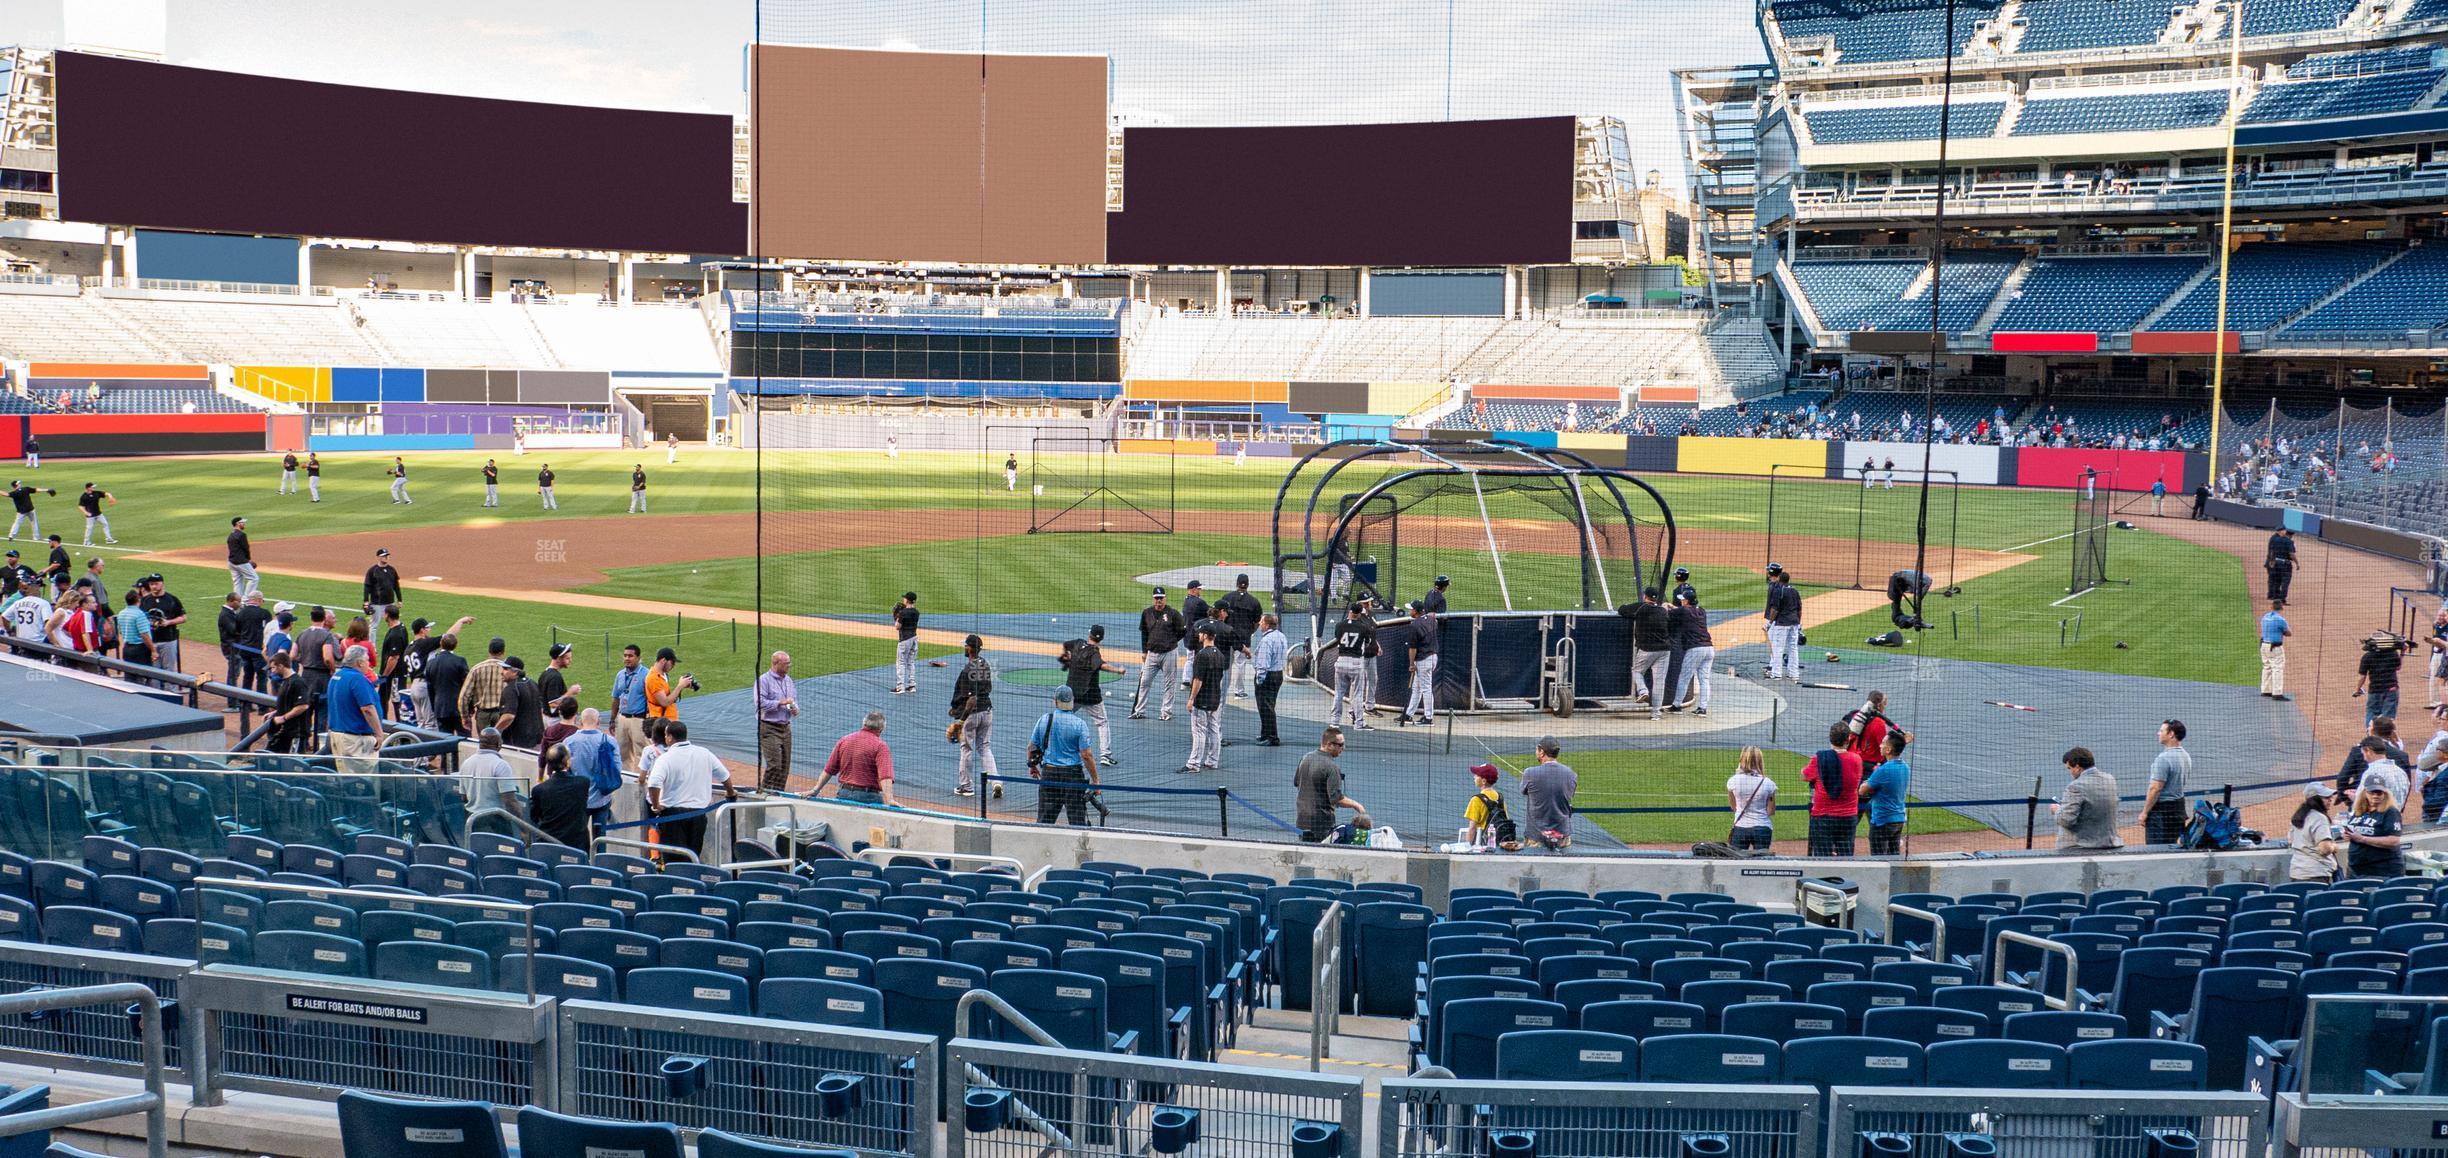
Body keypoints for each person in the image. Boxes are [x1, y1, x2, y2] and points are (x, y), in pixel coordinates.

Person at [645, 719, 734, 859]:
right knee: (693, 856)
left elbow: (653, 783)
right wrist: (730, 792)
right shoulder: (704, 753)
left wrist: (656, 805)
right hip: (698, 814)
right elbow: (724, 776)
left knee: (674, 859)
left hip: (672, 815)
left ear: (669, 737)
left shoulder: (665, 758)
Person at [1028, 687, 1098, 826]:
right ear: (1072, 701)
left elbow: (1031, 747)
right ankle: (1079, 847)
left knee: (1044, 821)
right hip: (1072, 776)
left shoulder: (1044, 720)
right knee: (1077, 821)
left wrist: (1032, 766)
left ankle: (1040, 846)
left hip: (1049, 774)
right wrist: (1095, 780)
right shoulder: (1079, 724)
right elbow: (1086, 755)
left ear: (1055, 702)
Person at [1062, 625, 1122, 766]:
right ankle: (1105, 755)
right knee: (1102, 722)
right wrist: (1118, 670)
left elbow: (1066, 645)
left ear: (1089, 634)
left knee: (1062, 718)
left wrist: (1067, 658)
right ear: (1101, 638)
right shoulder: (1094, 653)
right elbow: (1101, 665)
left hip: (1073, 693)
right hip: (1090, 695)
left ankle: (1054, 747)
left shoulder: (1077, 643)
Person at [1294, 726, 1368, 842]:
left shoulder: (1305, 758)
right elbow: (1336, 799)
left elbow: (1298, 783)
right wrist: (1357, 805)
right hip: (1321, 824)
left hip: (1302, 820)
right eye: (1340, 745)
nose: (1343, 748)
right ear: (1329, 744)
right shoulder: (1331, 767)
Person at [1802, 722, 1863, 856]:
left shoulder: (1820, 758)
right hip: (1848, 816)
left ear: (1830, 738)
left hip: (1823, 816)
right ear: (1848, 740)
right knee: (1846, 856)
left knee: (1822, 856)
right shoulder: (1856, 759)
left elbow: (1805, 776)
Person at [815, 710, 896, 806]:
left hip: (843, 793)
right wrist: (890, 799)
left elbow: (829, 769)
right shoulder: (881, 746)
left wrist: (816, 789)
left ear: (864, 723)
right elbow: (885, 776)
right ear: (882, 728)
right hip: (868, 796)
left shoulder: (845, 740)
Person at [951, 634, 999, 798]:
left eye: (965, 645)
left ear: (970, 648)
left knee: (966, 748)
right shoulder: (985, 664)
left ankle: (966, 786)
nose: (964, 648)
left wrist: (961, 719)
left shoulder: (967, 670)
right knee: (984, 747)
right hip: (988, 711)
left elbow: (971, 699)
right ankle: (996, 781)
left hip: (973, 714)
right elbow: (989, 689)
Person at [326, 644, 385, 775]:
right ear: (359, 662)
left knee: (347, 781)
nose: (369, 663)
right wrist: (379, 734)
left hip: (338, 735)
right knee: (364, 784)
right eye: (367, 660)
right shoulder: (357, 679)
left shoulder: (337, 676)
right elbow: (368, 709)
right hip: (355, 740)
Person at [2052, 746, 2122, 852]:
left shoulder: (2075, 787)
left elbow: (2065, 820)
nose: (2070, 772)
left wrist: (2057, 810)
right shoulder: (2110, 780)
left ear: (2077, 767)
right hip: (2109, 842)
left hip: (2080, 846)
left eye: (2069, 768)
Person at [1133, 586, 1186, 719]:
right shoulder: (1146, 613)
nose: (1159, 601)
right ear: (1153, 599)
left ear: (1165, 598)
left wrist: (1172, 641)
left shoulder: (1173, 613)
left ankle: (1166, 713)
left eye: (1161, 598)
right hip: (1151, 654)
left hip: (1169, 653)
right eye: (1157, 598)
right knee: (1144, 681)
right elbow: (1144, 633)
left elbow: (1183, 630)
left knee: (1169, 683)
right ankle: (1139, 711)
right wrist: (1144, 651)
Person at [565, 707, 622, 833]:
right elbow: (617, 770)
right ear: (599, 721)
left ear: (580, 722)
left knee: (578, 837)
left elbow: (564, 770)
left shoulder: (569, 742)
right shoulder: (610, 741)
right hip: (602, 797)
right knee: (600, 837)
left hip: (578, 798)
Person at [1181, 623, 1228, 773]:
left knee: (1199, 732)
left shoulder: (1202, 655)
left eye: (1201, 633)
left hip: (1202, 699)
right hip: (1215, 698)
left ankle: (1193, 764)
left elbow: (1197, 680)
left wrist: (1191, 699)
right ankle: (1212, 761)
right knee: (1214, 730)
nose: (1199, 635)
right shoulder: (1220, 655)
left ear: (1206, 635)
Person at [528, 742, 592, 850]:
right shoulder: (583, 783)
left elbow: (534, 815)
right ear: (567, 762)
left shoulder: (539, 790)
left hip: (548, 843)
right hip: (576, 845)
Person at [1622, 587, 1673, 719]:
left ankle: (1643, 691)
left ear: (1645, 597)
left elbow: (1622, 610)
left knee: (1637, 671)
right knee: (1659, 682)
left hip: (1647, 649)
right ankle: (1656, 714)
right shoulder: (1662, 610)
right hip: (1664, 650)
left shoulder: (1641, 607)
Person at [1329, 598, 1379, 729]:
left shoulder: (1339, 625)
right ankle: (1359, 723)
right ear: (1359, 614)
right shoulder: (1363, 627)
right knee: (1356, 694)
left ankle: (1334, 722)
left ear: (1350, 612)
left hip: (1341, 661)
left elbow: (1337, 639)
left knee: (1338, 693)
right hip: (1356, 662)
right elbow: (1367, 643)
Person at [1522, 736, 1578, 851]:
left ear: (1541, 751)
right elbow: (1569, 795)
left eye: (1537, 750)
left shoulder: (1530, 773)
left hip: (1536, 837)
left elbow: (1524, 791)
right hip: (1563, 835)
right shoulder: (1571, 774)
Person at [2141, 719, 2192, 846]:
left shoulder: (2163, 759)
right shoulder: (2186, 756)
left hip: (2161, 815)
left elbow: (2155, 788)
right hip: (2178, 811)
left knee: (2156, 852)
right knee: (2172, 848)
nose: (2158, 733)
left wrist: (2145, 812)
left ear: (2171, 734)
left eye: (2161, 730)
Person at [2339, 782, 2405, 878]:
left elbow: (2394, 840)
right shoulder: (2359, 810)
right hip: (2356, 869)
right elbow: (2355, 831)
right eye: (2372, 793)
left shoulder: (2391, 812)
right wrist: (2347, 835)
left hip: (2382, 870)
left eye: (2379, 793)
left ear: (2385, 794)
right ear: (2365, 793)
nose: (2375, 796)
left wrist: (2362, 839)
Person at [1860, 732, 1911, 855]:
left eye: (1883, 743)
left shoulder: (1883, 770)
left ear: (1888, 750)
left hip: (1882, 820)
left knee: (1879, 860)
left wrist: (1869, 783)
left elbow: (1862, 790)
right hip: (1898, 819)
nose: (1880, 745)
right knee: (1894, 858)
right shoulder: (1905, 767)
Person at [755, 650, 799, 792]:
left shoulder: (788, 680)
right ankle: (764, 793)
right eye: (786, 664)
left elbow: (792, 699)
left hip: (785, 727)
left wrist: (794, 708)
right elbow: (760, 703)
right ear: (776, 663)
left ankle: (778, 794)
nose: (789, 666)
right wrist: (780, 702)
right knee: (775, 764)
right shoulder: (763, 680)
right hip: (769, 727)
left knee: (785, 766)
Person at [1219, 574, 1264, 698]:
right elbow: (1257, 621)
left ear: (1237, 583)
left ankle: (1223, 689)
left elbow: (1220, 616)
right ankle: (1239, 691)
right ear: (1247, 584)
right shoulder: (1254, 601)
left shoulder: (1227, 597)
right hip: (1243, 637)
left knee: (1226, 664)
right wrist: (1250, 632)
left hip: (1226, 636)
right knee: (1240, 664)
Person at [1726, 746, 1778, 852]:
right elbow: (1771, 811)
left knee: (1737, 861)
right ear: (1760, 761)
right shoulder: (1768, 783)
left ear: (1742, 759)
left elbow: (1734, 807)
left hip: (1741, 827)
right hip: (1763, 828)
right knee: (1762, 863)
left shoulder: (1733, 781)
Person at [2288, 784, 2342, 882]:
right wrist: (2334, 846)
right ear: (2315, 799)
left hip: (2297, 872)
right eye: (2326, 797)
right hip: (2316, 873)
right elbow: (2324, 849)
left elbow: (2290, 840)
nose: (2330, 800)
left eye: (2330, 797)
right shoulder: (2319, 818)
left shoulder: (2298, 816)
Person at [265, 650, 314, 754]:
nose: (272, 671)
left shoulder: (297, 682)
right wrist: (275, 713)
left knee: (292, 764)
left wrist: (283, 717)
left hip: (296, 733)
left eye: (273, 667)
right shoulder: (286, 681)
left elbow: (303, 706)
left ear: (281, 666)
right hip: (286, 732)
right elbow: (290, 703)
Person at [458, 636, 510, 732]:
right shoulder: (509, 670)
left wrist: (465, 718)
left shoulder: (476, 669)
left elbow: (464, 696)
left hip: (483, 715)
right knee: (503, 744)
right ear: (503, 652)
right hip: (502, 714)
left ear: (489, 651)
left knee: (485, 743)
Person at [1251, 612, 1288, 746]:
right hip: (1278, 674)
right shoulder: (1281, 636)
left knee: (1266, 707)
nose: (1259, 623)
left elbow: (1263, 662)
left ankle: (1272, 737)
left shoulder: (1267, 640)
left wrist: (1260, 679)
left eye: (1261, 622)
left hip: (1267, 676)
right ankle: (1265, 733)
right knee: (1268, 705)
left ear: (1266, 625)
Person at [1402, 599, 1440, 727]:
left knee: (1425, 688)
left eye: (1411, 609)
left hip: (1423, 659)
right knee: (1416, 688)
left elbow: (1412, 648)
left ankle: (1429, 718)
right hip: (1433, 656)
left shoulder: (1415, 625)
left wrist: (1411, 664)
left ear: (1416, 611)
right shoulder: (1432, 620)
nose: (1409, 611)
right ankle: (1408, 714)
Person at [140, 574, 187, 675]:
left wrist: (169, 622)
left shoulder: (172, 599)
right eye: (151, 584)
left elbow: (183, 618)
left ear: (162, 584)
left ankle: (169, 691)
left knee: (169, 672)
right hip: (151, 641)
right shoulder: (145, 600)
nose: (153, 587)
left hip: (168, 640)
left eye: (156, 584)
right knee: (153, 673)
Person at [1763, 563, 1803, 681]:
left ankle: (1776, 673)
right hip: (1794, 622)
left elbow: (1775, 608)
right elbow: (1799, 608)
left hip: (1781, 622)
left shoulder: (1777, 590)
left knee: (1777, 647)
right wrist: (1799, 623)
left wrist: (1770, 622)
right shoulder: (1794, 590)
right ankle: (1794, 673)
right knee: (1793, 647)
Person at [496, 657, 546, 750]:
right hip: (537, 737)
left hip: (518, 741)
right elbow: (541, 708)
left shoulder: (511, 689)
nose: (501, 672)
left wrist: (495, 730)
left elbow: (508, 716)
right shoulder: (532, 683)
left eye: (505, 669)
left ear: (515, 672)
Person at [2357, 633, 2408, 725]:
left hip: (2375, 689)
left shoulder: (2367, 656)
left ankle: (2371, 733)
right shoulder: (2392, 653)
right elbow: (2398, 667)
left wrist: (2358, 689)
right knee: (2388, 718)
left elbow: (2362, 676)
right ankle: (2385, 736)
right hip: (2391, 689)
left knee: (2372, 713)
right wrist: (2403, 653)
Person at [426, 633, 469, 737]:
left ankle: (446, 754)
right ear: (455, 645)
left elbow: (430, 688)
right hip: (458, 708)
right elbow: (467, 686)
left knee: (445, 741)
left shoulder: (431, 663)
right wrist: (469, 707)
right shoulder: (460, 661)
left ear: (441, 644)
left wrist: (434, 706)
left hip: (440, 707)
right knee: (464, 739)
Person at [1464, 763, 1517, 848]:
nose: (1474, 777)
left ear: (1483, 781)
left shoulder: (1476, 799)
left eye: (1477, 775)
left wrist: (1466, 847)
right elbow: (1505, 818)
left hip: (1482, 845)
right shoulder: (1500, 797)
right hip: (1499, 844)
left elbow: (1472, 828)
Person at [2260, 599, 2291, 701]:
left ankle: (2265, 690)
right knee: (2277, 668)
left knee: (2267, 667)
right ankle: (2277, 693)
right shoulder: (2280, 620)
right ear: (2281, 607)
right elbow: (2288, 633)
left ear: (2271, 607)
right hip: (2275, 647)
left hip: (2264, 646)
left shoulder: (2265, 617)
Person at [891, 592, 921, 696]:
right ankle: (912, 686)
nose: (903, 599)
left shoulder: (903, 612)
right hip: (914, 638)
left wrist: (896, 617)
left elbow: (897, 627)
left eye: (904, 598)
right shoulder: (917, 612)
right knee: (911, 662)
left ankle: (900, 687)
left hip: (905, 640)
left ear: (907, 600)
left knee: (901, 663)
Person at [537, 642, 579, 707]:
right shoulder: (555, 677)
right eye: (567, 658)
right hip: (552, 717)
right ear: (558, 659)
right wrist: (571, 692)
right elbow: (553, 704)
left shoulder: (545, 673)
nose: (570, 660)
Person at [225, 516, 257, 599]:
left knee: (238, 582)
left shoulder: (231, 535)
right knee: (254, 578)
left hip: (231, 562)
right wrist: (248, 560)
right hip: (241, 561)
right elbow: (246, 548)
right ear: (237, 524)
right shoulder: (241, 535)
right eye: (242, 522)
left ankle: (237, 600)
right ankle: (246, 599)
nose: (244, 524)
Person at [362, 548, 402, 615]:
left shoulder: (392, 570)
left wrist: (399, 600)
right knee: (374, 624)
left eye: (387, 555)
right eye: (383, 556)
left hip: (390, 602)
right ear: (378, 557)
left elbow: (396, 586)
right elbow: (367, 586)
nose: (386, 557)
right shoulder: (373, 570)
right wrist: (366, 601)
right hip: (377, 603)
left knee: (392, 621)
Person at [2265, 528, 2297, 603]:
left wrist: (2271, 561)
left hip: (2276, 563)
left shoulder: (2276, 540)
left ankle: (2275, 597)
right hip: (2286, 564)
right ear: (2291, 535)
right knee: (2285, 582)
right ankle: (2282, 599)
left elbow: (2272, 551)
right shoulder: (2290, 542)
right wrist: (2297, 563)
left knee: (2276, 581)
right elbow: (2291, 554)